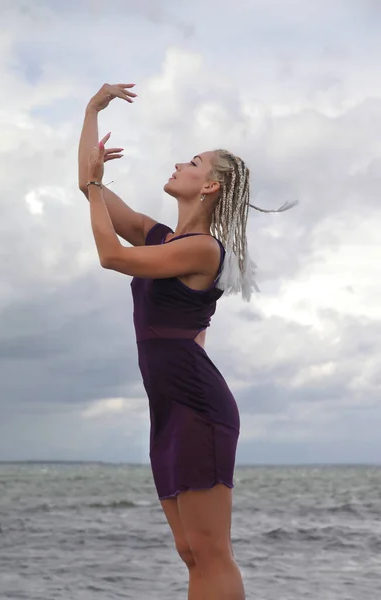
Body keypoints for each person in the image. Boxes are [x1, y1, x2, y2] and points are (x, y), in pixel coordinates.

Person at [78, 83, 296, 600]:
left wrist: (92, 188)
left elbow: (110, 254)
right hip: (169, 406)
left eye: (193, 162)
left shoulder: (202, 249)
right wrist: (92, 111)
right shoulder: (162, 239)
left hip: (198, 406)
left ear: (211, 186)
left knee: (211, 551)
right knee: (190, 551)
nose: (180, 163)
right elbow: (88, 186)